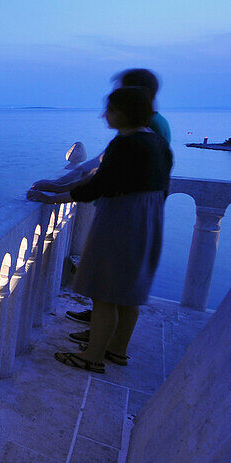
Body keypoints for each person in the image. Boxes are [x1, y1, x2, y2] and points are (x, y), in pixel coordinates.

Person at [27, 86, 172, 372]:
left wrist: (52, 198)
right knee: (128, 295)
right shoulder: (157, 144)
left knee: (105, 294)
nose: (104, 115)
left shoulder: (125, 144)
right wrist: (57, 186)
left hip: (122, 224)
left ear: (123, 113)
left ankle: (92, 357)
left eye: (109, 109)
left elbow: (97, 186)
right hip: (148, 223)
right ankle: (117, 350)